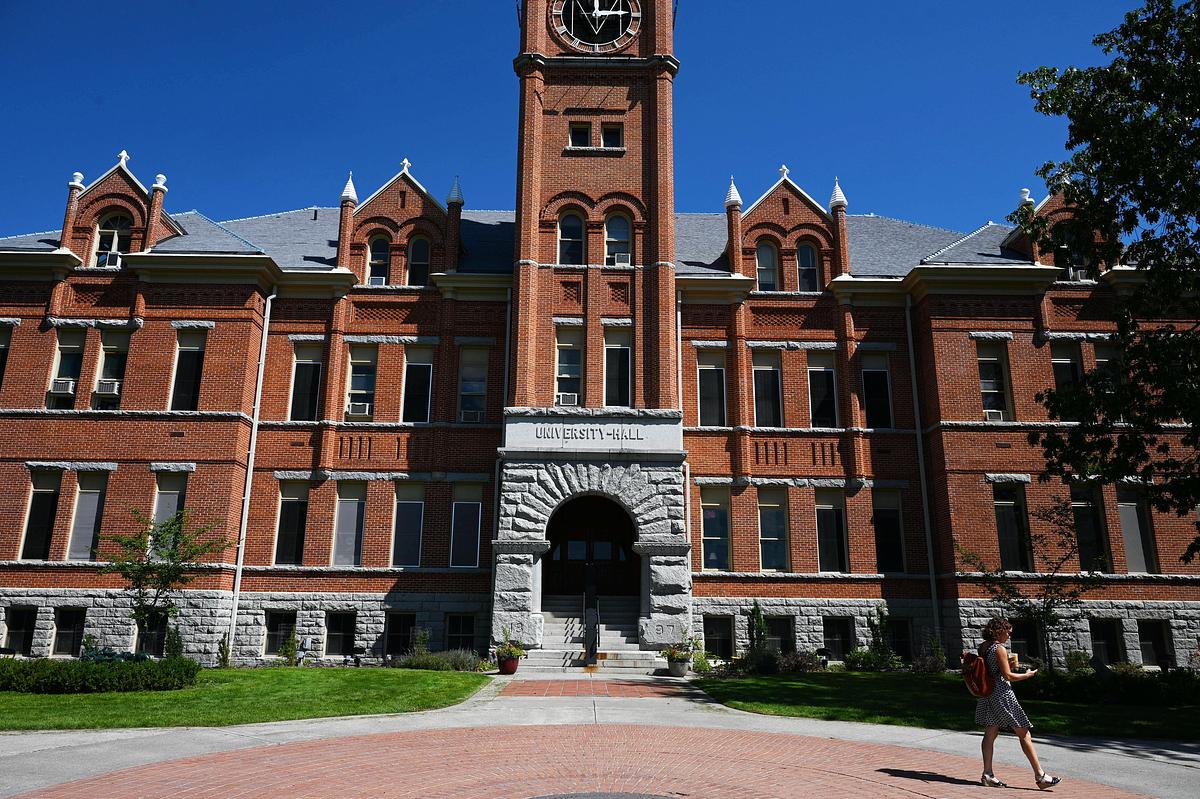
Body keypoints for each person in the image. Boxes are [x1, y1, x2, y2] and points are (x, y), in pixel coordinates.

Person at [975, 617, 1062, 790]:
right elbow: (1008, 676)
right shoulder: (998, 648)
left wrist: (1007, 664)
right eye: (1007, 631)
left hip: (988, 693)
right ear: (999, 630)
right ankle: (1040, 776)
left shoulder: (983, 646)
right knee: (1024, 732)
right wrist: (1027, 675)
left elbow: (993, 669)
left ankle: (988, 774)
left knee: (990, 732)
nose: (1009, 635)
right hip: (1002, 693)